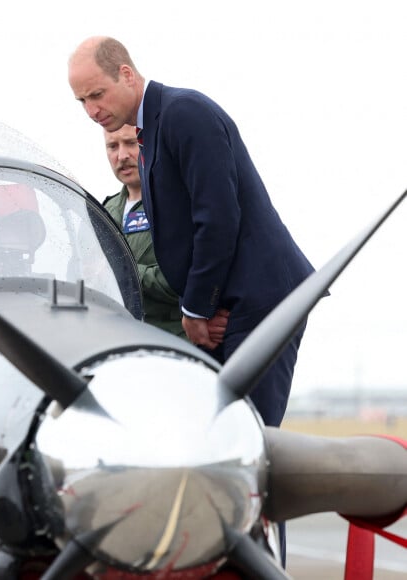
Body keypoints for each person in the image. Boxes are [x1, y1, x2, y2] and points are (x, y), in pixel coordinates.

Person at [69, 35, 315, 568]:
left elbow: (216, 218)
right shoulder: (153, 130)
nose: (92, 111)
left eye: (97, 94)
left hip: (261, 300)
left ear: (128, 75)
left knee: (243, 453)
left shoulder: (184, 114)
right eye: (81, 102)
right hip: (236, 302)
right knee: (207, 445)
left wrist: (196, 308)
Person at [102, 124, 229, 342]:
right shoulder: (102, 211)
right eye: (113, 146)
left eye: (130, 143)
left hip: (172, 342)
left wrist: (122, 271)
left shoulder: (177, 205)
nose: (122, 155)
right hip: (115, 343)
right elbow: (81, 275)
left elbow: (187, 279)